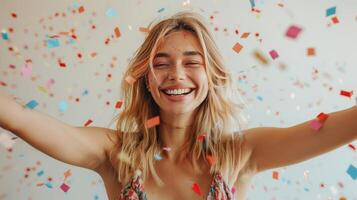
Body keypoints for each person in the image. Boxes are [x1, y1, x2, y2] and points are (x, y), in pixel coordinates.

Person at [0, 11, 357, 200]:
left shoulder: (242, 151)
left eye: (191, 62)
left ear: (212, 75)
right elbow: (17, 117)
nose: (176, 74)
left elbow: (332, 126)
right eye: (161, 63)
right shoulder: (113, 152)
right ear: (145, 80)